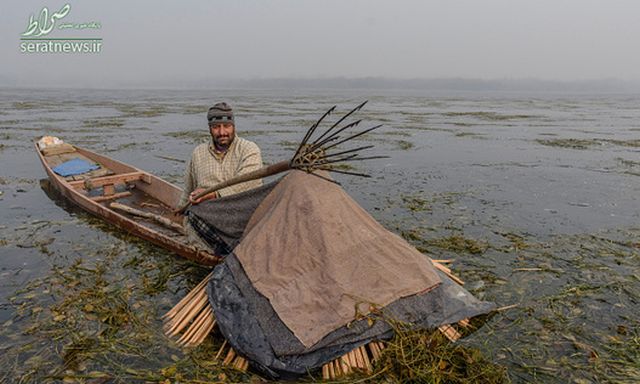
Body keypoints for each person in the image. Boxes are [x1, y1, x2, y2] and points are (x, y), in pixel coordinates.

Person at [179, 102, 263, 253]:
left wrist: (211, 194)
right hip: (210, 218)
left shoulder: (249, 149)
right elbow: (188, 187)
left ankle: (228, 247)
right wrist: (180, 209)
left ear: (233, 126)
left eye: (226, 126)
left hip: (240, 217)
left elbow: (248, 183)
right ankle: (228, 249)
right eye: (216, 127)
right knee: (192, 213)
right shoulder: (198, 153)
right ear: (210, 129)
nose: (222, 132)